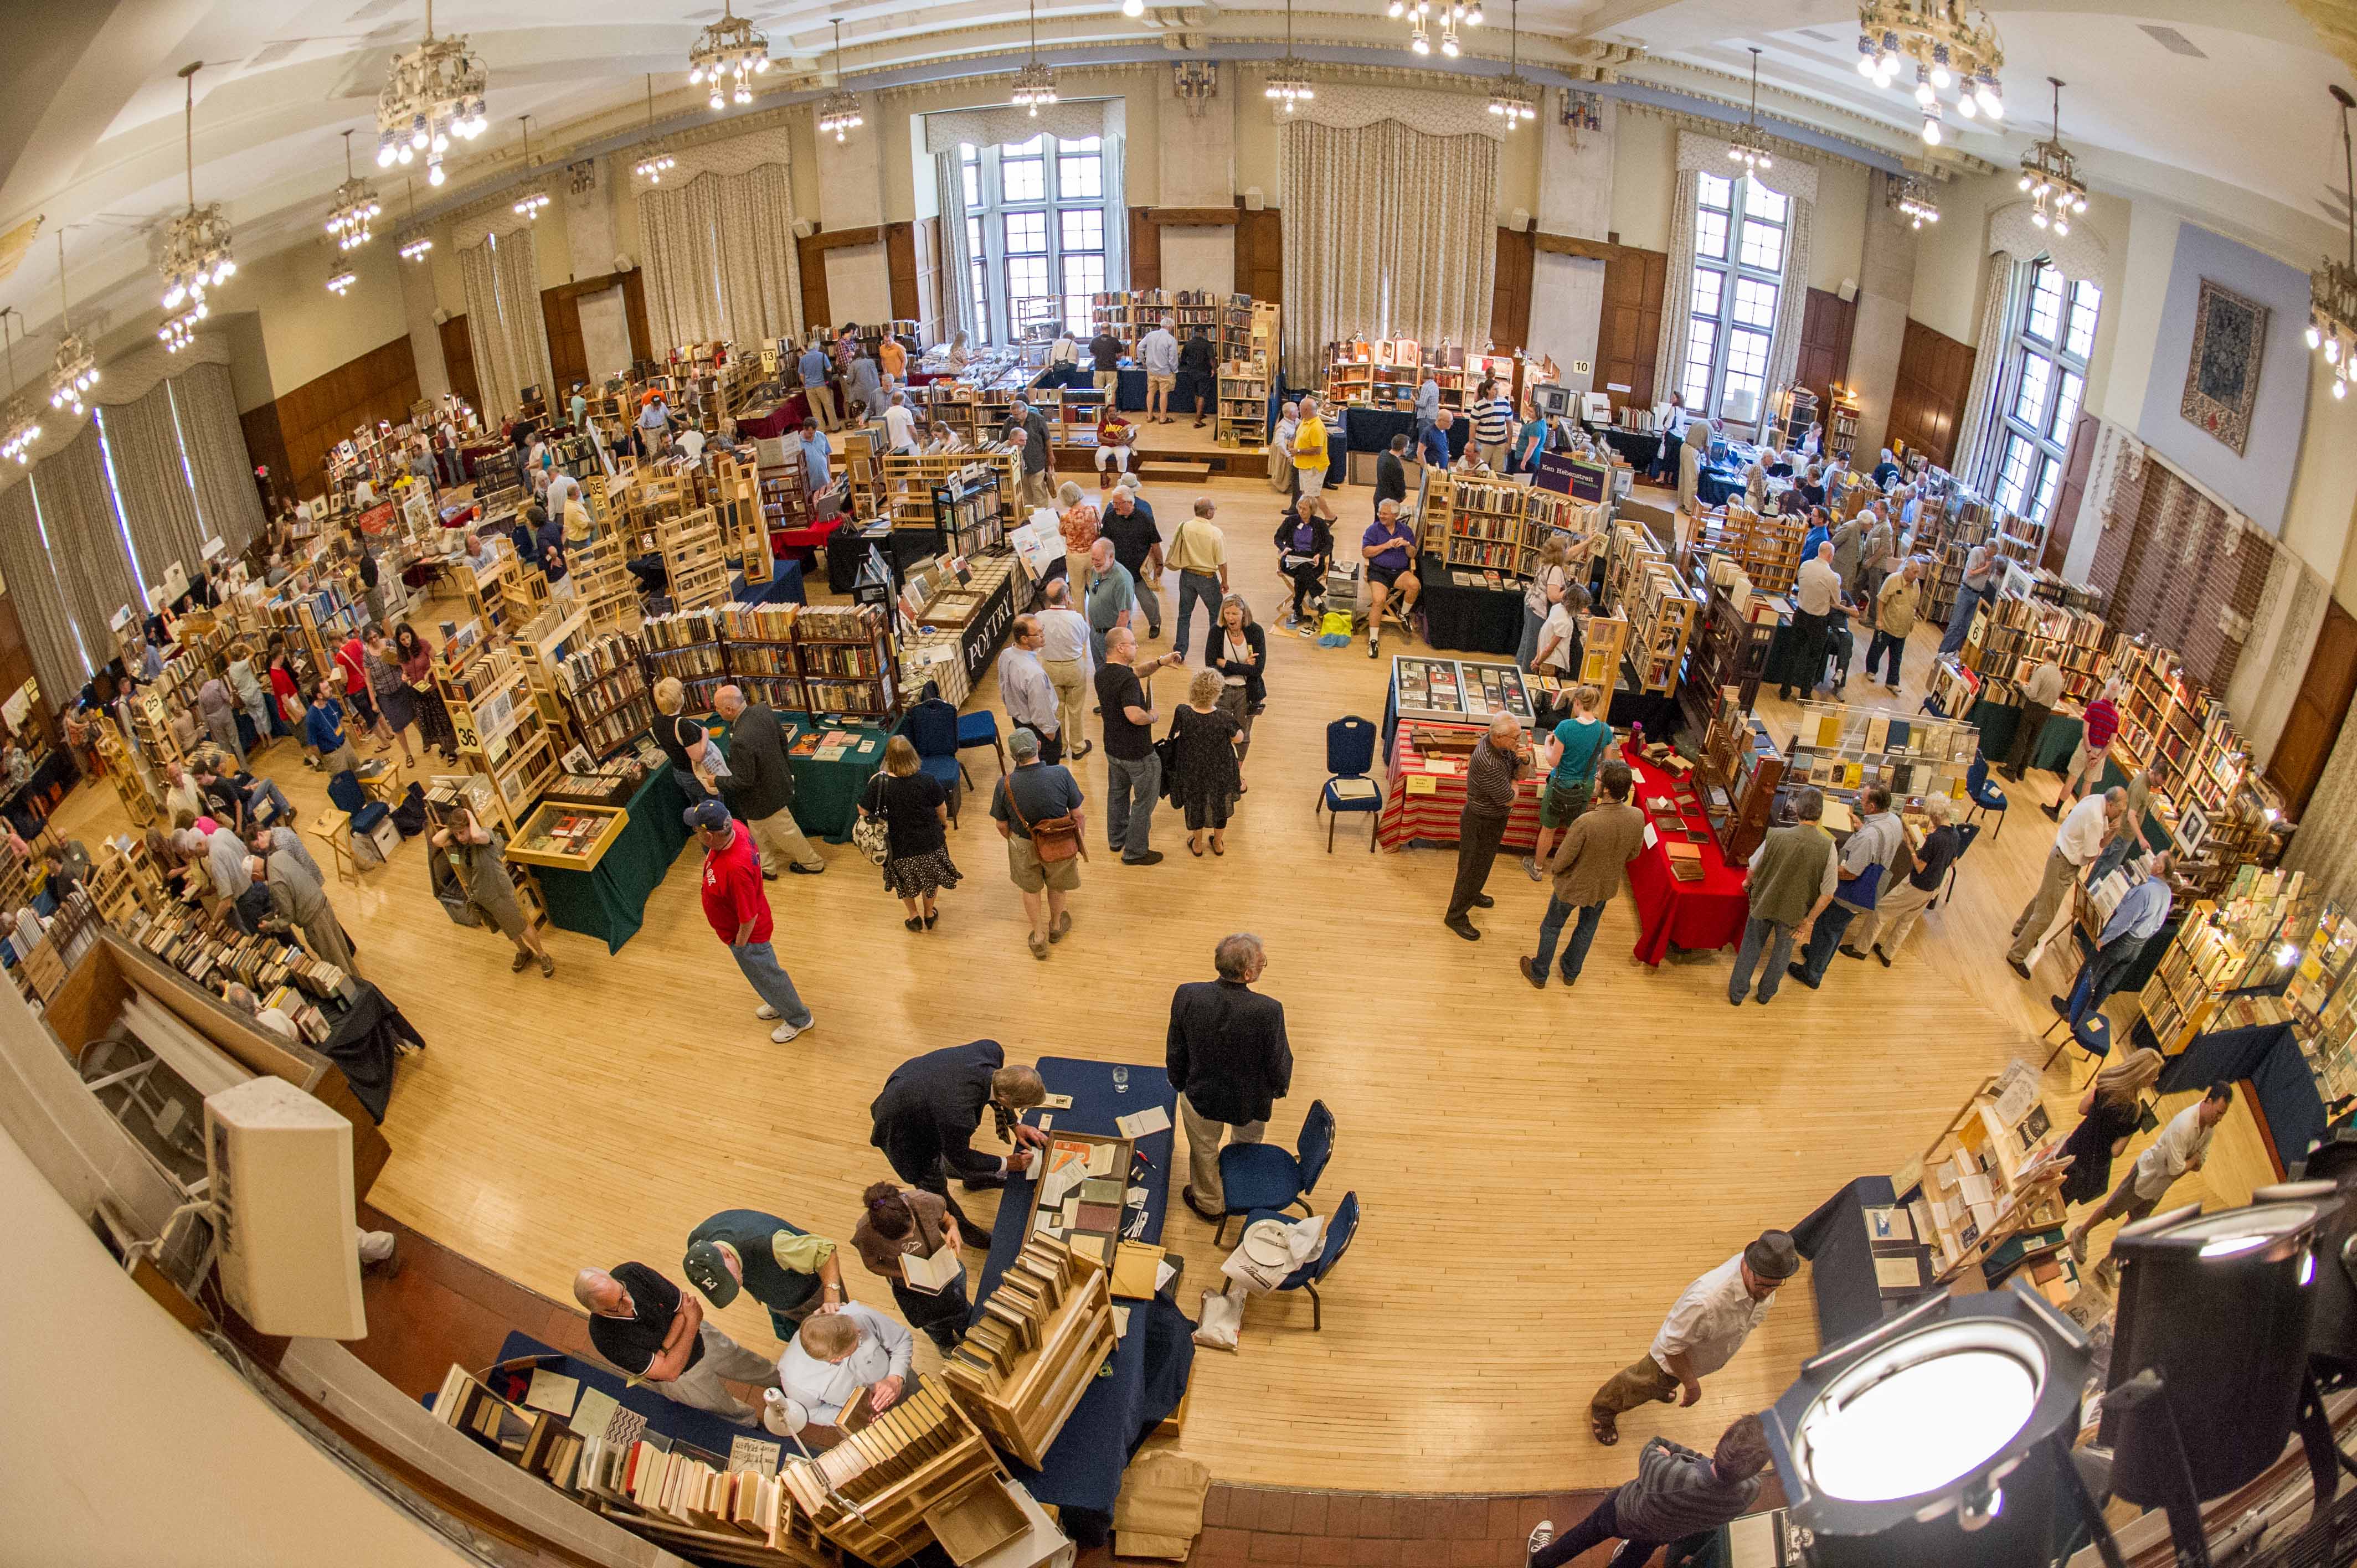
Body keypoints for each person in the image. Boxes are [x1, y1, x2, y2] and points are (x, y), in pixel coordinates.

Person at [1589, 1231, 1797, 1446]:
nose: (1766, 1293)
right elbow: (1671, 1347)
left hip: (1694, 1357)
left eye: (1774, 1286)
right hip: (1669, 1362)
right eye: (1762, 1285)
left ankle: (1664, 1386)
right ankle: (1603, 1409)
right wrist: (1691, 1385)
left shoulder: (1765, 1271)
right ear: (1748, 1264)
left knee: (1662, 1383)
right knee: (1641, 1383)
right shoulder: (1706, 1302)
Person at [1526, 1415, 1771, 1568]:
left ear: (1722, 1442)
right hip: (1668, 1531)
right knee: (1638, 1554)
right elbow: (1706, 1469)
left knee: (1585, 1535)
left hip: (1623, 1515)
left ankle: (1541, 1562)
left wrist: (1674, 1453)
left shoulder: (1671, 1475)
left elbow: (1654, 1445)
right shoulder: (1751, 1490)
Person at [1168, 932, 1291, 1222]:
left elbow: (1176, 1046)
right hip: (1249, 1101)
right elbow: (1278, 1059)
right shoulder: (1269, 1010)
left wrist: (1179, 1083)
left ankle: (1210, 1204)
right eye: (1263, 962)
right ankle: (1243, 1185)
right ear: (1248, 974)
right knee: (1247, 1144)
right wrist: (1277, 1089)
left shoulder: (1187, 994)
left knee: (1203, 1150)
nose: (1263, 964)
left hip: (1200, 1094)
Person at [868, 1041, 1048, 1231]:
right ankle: (965, 1231)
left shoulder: (991, 1051)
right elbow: (962, 1159)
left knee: (952, 1150)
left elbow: (1002, 1091)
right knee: (935, 1186)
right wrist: (1007, 1163)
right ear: (1006, 1100)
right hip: (902, 1130)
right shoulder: (958, 1117)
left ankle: (975, 1181)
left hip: (920, 1093)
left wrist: (1016, 1125)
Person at [575, 1263, 775, 1426]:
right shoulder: (604, 1337)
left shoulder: (631, 1273)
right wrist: (690, 1323)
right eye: (617, 1306)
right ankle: (753, 1425)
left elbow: (687, 1308)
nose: (628, 1302)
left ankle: (782, 1381)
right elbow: (670, 1373)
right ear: (598, 1311)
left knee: (753, 1365)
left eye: (622, 1291)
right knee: (725, 1409)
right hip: (685, 1380)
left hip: (705, 1338)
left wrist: (664, 1351)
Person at [2065, 1082, 2234, 1266]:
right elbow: (2177, 1169)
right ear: (2208, 1101)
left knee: (2137, 1223)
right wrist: (2193, 1160)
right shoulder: (2183, 1126)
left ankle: (2108, 1262)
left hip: (2160, 1186)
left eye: (2223, 1114)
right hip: (2145, 1176)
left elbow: (2202, 1159)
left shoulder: (2209, 1129)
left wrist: (2193, 1161)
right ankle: (2081, 1233)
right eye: (2218, 1112)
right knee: (2110, 1210)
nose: (2219, 1118)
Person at [687, 799, 814, 1043]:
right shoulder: (735, 827)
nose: (695, 833)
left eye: (697, 830)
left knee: (769, 975)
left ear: (710, 836)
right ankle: (778, 1004)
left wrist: (741, 944)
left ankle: (799, 1018)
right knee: (763, 976)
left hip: (748, 937)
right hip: (742, 931)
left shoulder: (735, 869)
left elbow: (749, 916)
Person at [1520, 760, 1645, 989]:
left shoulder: (1586, 822)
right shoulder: (1637, 816)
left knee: (1551, 926)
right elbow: (1633, 853)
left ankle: (1539, 973)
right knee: (1587, 928)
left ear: (1606, 788)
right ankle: (1571, 972)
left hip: (1573, 885)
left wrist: (1557, 873)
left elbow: (1562, 860)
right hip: (1604, 887)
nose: (1595, 781)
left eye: (1598, 778)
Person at [1728, 786, 1836, 1007]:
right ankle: (1766, 995)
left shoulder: (1776, 836)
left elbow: (1752, 869)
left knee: (1751, 947)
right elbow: (1828, 894)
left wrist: (1747, 884)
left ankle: (1737, 993)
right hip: (1795, 914)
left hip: (1764, 902)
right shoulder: (1828, 848)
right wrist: (1809, 922)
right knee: (1781, 954)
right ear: (1820, 813)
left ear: (1797, 810)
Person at [1788, 785, 1903, 988]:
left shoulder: (1870, 837)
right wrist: (1863, 827)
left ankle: (1813, 973)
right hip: (1866, 888)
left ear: (1873, 806)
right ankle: (1817, 955)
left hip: (1848, 894)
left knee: (1828, 928)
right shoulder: (1893, 820)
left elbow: (1851, 873)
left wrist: (1826, 866)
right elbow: (1880, 845)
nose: (1860, 801)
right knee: (1835, 929)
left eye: (1864, 799)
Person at [709, 684, 825, 879]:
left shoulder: (740, 740)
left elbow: (743, 781)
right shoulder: (763, 710)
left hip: (764, 797)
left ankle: (812, 862)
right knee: (758, 832)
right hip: (773, 787)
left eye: (718, 708)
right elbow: (782, 741)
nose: (716, 711)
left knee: (787, 833)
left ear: (729, 710)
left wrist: (717, 781)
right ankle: (766, 867)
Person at [991, 727, 1086, 960]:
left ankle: (1038, 937)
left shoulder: (1004, 784)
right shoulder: (1061, 774)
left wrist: (1015, 841)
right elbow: (1079, 814)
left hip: (1023, 844)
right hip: (1059, 842)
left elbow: (1001, 826)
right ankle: (1056, 925)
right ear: (1039, 746)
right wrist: (1079, 839)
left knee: (1031, 890)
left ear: (1013, 757)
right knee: (1057, 885)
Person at [2008, 787, 2123, 977]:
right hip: (2065, 864)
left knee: (2044, 897)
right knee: (2046, 914)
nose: (2121, 814)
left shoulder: (2096, 799)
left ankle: (2021, 928)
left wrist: (2110, 831)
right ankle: (2017, 955)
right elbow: (2092, 853)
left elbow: (2098, 841)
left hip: (2060, 855)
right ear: (2111, 805)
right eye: (2120, 810)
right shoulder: (2096, 818)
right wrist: (2111, 834)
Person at [434, 796, 554, 977]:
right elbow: (437, 840)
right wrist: (453, 829)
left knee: (520, 925)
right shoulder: (459, 844)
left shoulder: (484, 836)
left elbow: (475, 835)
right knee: (506, 928)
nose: (460, 837)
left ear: (470, 825)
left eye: (462, 832)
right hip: (481, 897)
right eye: (456, 834)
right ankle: (524, 951)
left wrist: (467, 813)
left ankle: (543, 955)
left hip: (499, 893)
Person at [682, 1210, 846, 1343]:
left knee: (840, 1333)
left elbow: (826, 1252)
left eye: (729, 1280)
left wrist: (831, 1296)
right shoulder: (698, 1243)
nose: (737, 1285)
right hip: (780, 1296)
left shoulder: (772, 1244)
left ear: (726, 1255)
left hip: (812, 1294)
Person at [2057, 851, 2173, 1029]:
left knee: (2091, 972)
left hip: (2121, 941)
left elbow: (2125, 920)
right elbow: (2158, 925)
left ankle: (2070, 1009)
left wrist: (2105, 938)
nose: (2153, 861)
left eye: (2156, 860)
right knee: (2109, 982)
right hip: (2138, 945)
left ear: (2160, 868)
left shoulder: (2146, 891)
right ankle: (2088, 1015)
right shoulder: (2167, 894)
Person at [1097, 627, 1182, 868]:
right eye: (1133, 643)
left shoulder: (1103, 673)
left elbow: (1138, 672)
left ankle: (1117, 840)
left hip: (1113, 750)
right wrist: (1153, 716)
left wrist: (1160, 662)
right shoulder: (1127, 680)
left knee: (1117, 795)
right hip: (1138, 754)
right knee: (1144, 802)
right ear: (1121, 648)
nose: (1137, 647)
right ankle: (1135, 852)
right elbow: (1134, 715)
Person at [852, 1182, 969, 1352]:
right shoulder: (865, 1233)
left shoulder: (925, 1201)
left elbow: (947, 1219)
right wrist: (906, 1274)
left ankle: (968, 1333)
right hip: (912, 1288)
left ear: (909, 1211)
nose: (912, 1236)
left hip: (947, 1271)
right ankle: (944, 1343)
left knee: (962, 1310)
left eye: (911, 1229)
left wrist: (953, 1229)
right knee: (934, 1324)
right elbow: (872, 1264)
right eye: (901, 1237)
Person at [859, 736, 960, 930]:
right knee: (930, 879)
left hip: (898, 846)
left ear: (889, 758)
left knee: (903, 882)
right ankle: (929, 913)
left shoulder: (880, 783)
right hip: (930, 841)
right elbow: (942, 809)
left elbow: (863, 811)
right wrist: (942, 825)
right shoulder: (927, 780)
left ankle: (914, 916)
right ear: (913, 755)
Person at [1846, 792, 1958, 963]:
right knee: (1907, 921)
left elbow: (1920, 867)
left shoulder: (1936, 838)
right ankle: (1887, 953)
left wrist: (1910, 847)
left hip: (1917, 885)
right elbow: (1953, 862)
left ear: (1935, 814)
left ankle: (1860, 949)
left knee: (1880, 911)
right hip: (1933, 887)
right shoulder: (1955, 834)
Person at [1443, 714, 1528, 941]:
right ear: (1498, 736)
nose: (1519, 742)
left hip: (1493, 819)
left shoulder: (1505, 747)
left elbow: (1522, 773)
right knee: (1471, 869)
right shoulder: (1488, 761)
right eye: (1515, 737)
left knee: (1482, 864)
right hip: (1480, 821)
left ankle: (1473, 893)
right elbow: (1510, 798)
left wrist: (1525, 763)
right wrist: (1516, 781)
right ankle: (1456, 915)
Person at [2056, 1049, 2166, 1210]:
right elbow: (2116, 1151)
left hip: (2074, 1145)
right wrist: (2134, 1127)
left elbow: (2082, 1109)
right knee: (2059, 1203)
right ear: (2144, 1077)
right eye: (2153, 1076)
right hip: (2089, 1166)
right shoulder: (2135, 1113)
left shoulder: (2107, 1081)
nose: (2155, 1080)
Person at [1525, 684, 1611, 880]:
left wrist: (1548, 744)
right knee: (1573, 830)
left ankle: (1537, 867)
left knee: (1549, 828)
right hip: (1585, 786)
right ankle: (1564, 869)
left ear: (1577, 703)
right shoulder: (1604, 730)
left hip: (1560, 784)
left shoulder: (1565, 727)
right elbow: (1606, 763)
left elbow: (1553, 761)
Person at [780, 1304, 913, 1426]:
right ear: (837, 1359)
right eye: (858, 1338)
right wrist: (857, 1417)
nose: (860, 1330)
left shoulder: (856, 1315)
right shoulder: (794, 1380)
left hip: (905, 1385)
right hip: (867, 1424)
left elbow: (902, 1340)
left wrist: (896, 1378)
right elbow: (813, 1412)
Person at [1170, 668, 1244, 858]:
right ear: (1218, 693)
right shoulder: (1224, 717)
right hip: (1220, 769)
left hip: (1193, 768)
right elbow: (1239, 739)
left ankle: (1197, 845)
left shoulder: (1183, 712)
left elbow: (1175, 734)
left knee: (1196, 804)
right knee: (1219, 804)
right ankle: (1218, 844)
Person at [261, 838, 358, 973]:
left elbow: (287, 919)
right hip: (323, 904)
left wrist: (269, 926)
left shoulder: (274, 882)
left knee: (336, 963)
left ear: (256, 874)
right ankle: (357, 979)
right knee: (343, 951)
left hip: (315, 921)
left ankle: (354, 991)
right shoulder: (280, 855)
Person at [1037, 578, 1094, 762]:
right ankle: (1078, 746)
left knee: (1057, 708)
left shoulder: (1039, 617)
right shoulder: (1076, 618)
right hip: (1073, 666)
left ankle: (1060, 747)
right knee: (1076, 709)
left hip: (1050, 667)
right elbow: (1085, 636)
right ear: (1066, 596)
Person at [1207, 594, 1267, 767]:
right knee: (1219, 731)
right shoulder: (1217, 631)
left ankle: (1237, 770)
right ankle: (1221, 767)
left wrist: (1226, 664)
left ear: (1244, 614)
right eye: (1227, 613)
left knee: (1243, 733)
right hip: (1222, 689)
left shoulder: (1255, 632)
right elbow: (1211, 665)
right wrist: (1243, 666)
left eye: (1235, 614)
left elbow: (1257, 670)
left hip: (1247, 692)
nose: (1230, 618)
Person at [1166, 497, 1229, 660]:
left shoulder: (1185, 527)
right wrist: (1224, 581)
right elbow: (1222, 562)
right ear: (1209, 513)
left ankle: (1180, 652)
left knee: (1184, 614)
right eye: (1214, 509)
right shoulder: (1215, 533)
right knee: (1216, 614)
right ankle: (1215, 652)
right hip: (1207, 578)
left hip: (1187, 576)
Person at [1779, 543, 1844, 702]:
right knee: (1813, 659)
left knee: (1792, 654)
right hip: (1818, 621)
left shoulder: (1805, 566)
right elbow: (1836, 601)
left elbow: (1801, 585)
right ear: (1831, 556)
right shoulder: (1831, 577)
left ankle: (1784, 690)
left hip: (1800, 615)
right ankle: (1805, 694)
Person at [996, 615, 1064, 764]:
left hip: (1019, 722)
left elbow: (1003, 686)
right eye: (1038, 633)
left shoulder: (1006, 655)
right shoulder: (1034, 674)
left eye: (1042, 630)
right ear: (1024, 639)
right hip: (1040, 733)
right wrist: (1051, 735)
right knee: (1047, 772)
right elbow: (1041, 711)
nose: (1043, 636)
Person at [1098, 486, 1163, 639]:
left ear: (1129, 502)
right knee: (1118, 603)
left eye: (1118, 503)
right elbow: (1104, 541)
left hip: (1138, 571)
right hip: (1118, 572)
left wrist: (1160, 564)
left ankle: (1155, 623)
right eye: (1113, 503)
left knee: (1147, 601)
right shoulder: (1110, 518)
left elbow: (1155, 544)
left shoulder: (1144, 519)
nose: (1114, 506)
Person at [1362, 499, 1422, 659]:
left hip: (1400, 572)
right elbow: (1366, 552)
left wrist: (1407, 545)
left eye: (1385, 514)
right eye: (1380, 513)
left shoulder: (1405, 530)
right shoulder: (1373, 530)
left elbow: (1412, 555)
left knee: (1415, 585)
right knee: (1379, 600)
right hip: (1379, 573)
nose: (1381, 516)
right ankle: (1373, 640)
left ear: (1395, 515)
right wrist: (1386, 546)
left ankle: (1403, 614)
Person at [394, 623, 459, 764]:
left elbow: (438, 661)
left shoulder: (423, 644)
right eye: (403, 640)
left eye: (408, 638)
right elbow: (405, 671)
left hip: (433, 689)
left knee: (442, 720)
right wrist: (404, 677)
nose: (407, 642)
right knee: (429, 723)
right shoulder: (401, 655)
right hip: (417, 693)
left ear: (411, 634)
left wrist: (428, 673)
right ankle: (443, 746)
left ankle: (451, 751)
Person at [2057, 680, 2122, 816]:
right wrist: (2098, 758)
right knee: (2087, 787)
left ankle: (2056, 810)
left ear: (2106, 689)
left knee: (2071, 780)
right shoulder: (2116, 716)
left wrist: (2089, 752)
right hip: (2100, 754)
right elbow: (2111, 743)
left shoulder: (2094, 706)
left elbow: (2085, 732)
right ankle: (2075, 815)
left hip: (2086, 748)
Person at [652, 675, 718, 802]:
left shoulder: (657, 719)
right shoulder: (682, 725)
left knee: (697, 806)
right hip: (695, 775)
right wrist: (705, 735)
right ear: (679, 699)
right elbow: (698, 756)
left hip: (679, 772)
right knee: (712, 808)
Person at [1275, 493, 1333, 633]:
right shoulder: (1290, 521)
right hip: (1292, 557)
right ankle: (1318, 602)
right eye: (1299, 508)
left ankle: (1297, 607)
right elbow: (1278, 538)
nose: (1301, 511)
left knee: (1303, 574)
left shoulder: (1319, 524)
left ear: (1312, 510)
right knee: (1303, 571)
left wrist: (1321, 555)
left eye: (1305, 509)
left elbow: (1329, 544)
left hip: (1312, 559)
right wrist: (1284, 548)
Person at [1520, 534, 1578, 671]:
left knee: (1526, 641)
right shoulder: (1556, 570)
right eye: (1566, 549)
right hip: (1540, 611)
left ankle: (1519, 668)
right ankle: (1527, 675)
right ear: (1560, 553)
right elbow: (1553, 597)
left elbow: (1571, 553)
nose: (1568, 551)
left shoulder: (1547, 562)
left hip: (1531, 604)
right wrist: (1572, 589)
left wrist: (1588, 542)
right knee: (1534, 646)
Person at [2003, 656, 2066, 781]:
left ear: (2046, 656)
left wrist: (2022, 686)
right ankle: (2022, 771)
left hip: (2033, 708)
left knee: (2022, 738)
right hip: (2045, 712)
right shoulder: (2060, 676)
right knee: (2032, 742)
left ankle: (2011, 770)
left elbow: (2032, 693)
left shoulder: (2042, 670)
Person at [1864, 558, 1922, 693]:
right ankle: (1871, 671)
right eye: (1915, 572)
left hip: (1903, 628)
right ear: (1906, 570)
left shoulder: (1917, 584)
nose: (1917, 575)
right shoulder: (1892, 580)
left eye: (1918, 572)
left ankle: (1892, 681)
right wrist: (1878, 620)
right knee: (1877, 649)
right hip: (1888, 624)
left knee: (1897, 656)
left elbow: (1914, 605)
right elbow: (1881, 600)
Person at [362, 629, 418, 767]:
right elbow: (369, 681)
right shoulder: (367, 656)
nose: (374, 640)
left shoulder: (389, 643)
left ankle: (426, 740)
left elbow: (403, 661)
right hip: (385, 695)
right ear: (367, 641)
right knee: (397, 726)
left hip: (401, 687)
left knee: (414, 716)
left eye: (375, 636)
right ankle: (408, 754)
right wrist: (374, 702)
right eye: (370, 639)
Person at [1082, 539, 1135, 666]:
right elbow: (1095, 593)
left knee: (1114, 675)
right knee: (1101, 674)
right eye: (1093, 559)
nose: (1094, 563)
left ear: (1111, 557)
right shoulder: (1097, 571)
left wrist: (1114, 643)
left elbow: (1124, 615)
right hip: (1095, 633)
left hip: (1110, 637)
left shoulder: (1122, 580)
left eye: (1098, 560)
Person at [1938, 544, 1995, 657]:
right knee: (1956, 623)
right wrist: (1986, 567)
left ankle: (1951, 652)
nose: (1990, 557)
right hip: (1966, 592)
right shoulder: (1976, 552)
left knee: (1966, 626)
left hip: (1978, 594)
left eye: (1993, 555)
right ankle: (1942, 652)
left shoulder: (1993, 560)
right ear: (1986, 547)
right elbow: (1971, 573)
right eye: (1989, 554)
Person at [303, 682, 361, 775]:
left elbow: (341, 719)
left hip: (345, 744)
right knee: (344, 782)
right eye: (326, 688)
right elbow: (313, 745)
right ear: (319, 695)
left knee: (359, 772)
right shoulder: (312, 717)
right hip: (332, 754)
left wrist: (343, 737)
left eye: (329, 686)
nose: (331, 689)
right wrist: (325, 759)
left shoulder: (333, 702)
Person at [1056, 479, 1100, 600]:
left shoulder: (1066, 517)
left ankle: (1080, 617)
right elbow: (1099, 527)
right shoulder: (1093, 510)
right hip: (1093, 554)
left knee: (1077, 590)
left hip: (1075, 558)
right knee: (1095, 587)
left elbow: (1062, 532)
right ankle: (1096, 614)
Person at [1292, 394, 1333, 520]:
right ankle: (1309, 516)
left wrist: (1298, 451)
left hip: (1314, 467)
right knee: (1308, 494)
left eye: (1300, 408)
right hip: (1305, 465)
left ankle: (1328, 516)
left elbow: (1317, 450)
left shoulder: (1316, 427)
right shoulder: (1305, 421)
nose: (1298, 410)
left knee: (1313, 495)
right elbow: (1300, 435)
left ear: (1305, 410)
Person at [225, 642, 271, 752]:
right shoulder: (242, 665)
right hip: (253, 692)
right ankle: (270, 740)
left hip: (244, 696)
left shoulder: (231, 670)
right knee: (263, 714)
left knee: (255, 718)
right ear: (241, 656)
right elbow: (254, 652)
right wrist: (244, 645)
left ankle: (263, 741)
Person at [196, 673, 245, 770]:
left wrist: (209, 728)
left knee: (225, 746)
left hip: (214, 721)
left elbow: (203, 715)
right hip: (226, 714)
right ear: (207, 676)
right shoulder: (217, 682)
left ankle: (235, 769)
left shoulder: (200, 695)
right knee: (235, 740)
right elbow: (226, 697)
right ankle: (244, 766)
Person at [1140, 315, 1181, 422]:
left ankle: (1149, 416)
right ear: (1171, 327)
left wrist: (1142, 361)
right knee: (1163, 393)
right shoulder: (1171, 339)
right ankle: (1163, 418)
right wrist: (1174, 369)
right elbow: (1173, 358)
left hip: (1151, 370)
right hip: (1165, 371)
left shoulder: (1150, 335)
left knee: (1151, 391)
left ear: (1161, 325)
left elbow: (1139, 348)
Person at [1471, 379, 1514, 470]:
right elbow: (1472, 427)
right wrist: (1472, 445)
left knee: (1499, 472)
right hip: (1483, 444)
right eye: (1495, 389)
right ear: (1487, 390)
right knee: (1480, 470)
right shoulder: (1479, 406)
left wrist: (1509, 443)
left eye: (1498, 389)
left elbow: (1510, 425)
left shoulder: (1505, 403)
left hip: (1500, 444)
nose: (1497, 391)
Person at [1179, 323, 1217, 426]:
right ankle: (1198, 420)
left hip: (1192, 372)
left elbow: (1183, 359)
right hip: (1204, 372)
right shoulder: (1207, 344)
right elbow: (1212, 359)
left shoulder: (1188, 344)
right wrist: (1214, 370)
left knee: (1196, 394)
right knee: (1202, 395)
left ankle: (1199, 413)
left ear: (1194, 332)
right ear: (1204, 333)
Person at [798, 337, 838, 429]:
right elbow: (829, 369)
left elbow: (801, 374)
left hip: (809, 388)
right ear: (817, 346)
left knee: (816, 411)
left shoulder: (803, 359)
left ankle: (821, 429)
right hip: (822, 385)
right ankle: (835, 427)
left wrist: (805, 385)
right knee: (829, 407)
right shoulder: (822, 356)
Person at [1095, 403, 1135, 485]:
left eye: (1114, 411)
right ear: (1107, 413)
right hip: (1107, 445)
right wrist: (1113, 441)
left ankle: (1121, 479)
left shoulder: (1125, 423)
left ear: (1118, 412)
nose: (1112, 413)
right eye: (1110, 411)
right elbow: (1099, 438)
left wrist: (1126, 442)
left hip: (1121, 446)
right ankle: (1105, 477)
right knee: (1099, 457)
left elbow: (1134, 435)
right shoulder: (1103, 423)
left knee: (1122, 457)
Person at [1375, 432, 1411, 519]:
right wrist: (1403, 495)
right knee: (1386, 526)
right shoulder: (1396, 466)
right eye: (1407, 447)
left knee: (1377, 523)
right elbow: (1400, 487)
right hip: (1388, 501)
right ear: (1403, 449)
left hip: (1378, 495)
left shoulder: (1383, 453)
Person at [845, 350, 883, 422]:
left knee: (857, 404)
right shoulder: (872, 361)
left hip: (861, 390)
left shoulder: (853, 364)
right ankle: (876, 421)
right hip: (875, 387)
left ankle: (861, 423)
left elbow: (850, 380)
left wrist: (846, 380)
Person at [1088, 323, 1124, 394]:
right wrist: (1116, 356)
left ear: (1100, 329)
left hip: (1099, 368)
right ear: (1110, 329)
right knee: (1111, 391)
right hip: (1111, 369)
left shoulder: (1094, 340)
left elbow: (1091, 353)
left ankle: (1100, 405)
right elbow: (1120, 353)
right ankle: (1110, 405)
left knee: (1098, 392)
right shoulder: (1114, 340)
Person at [882, 390, 919, 454]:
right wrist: (916, 443)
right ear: (903, 401)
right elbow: (912, 431)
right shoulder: (906, 412)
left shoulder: (885, 415)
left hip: (894, 447)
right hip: (908, 445)